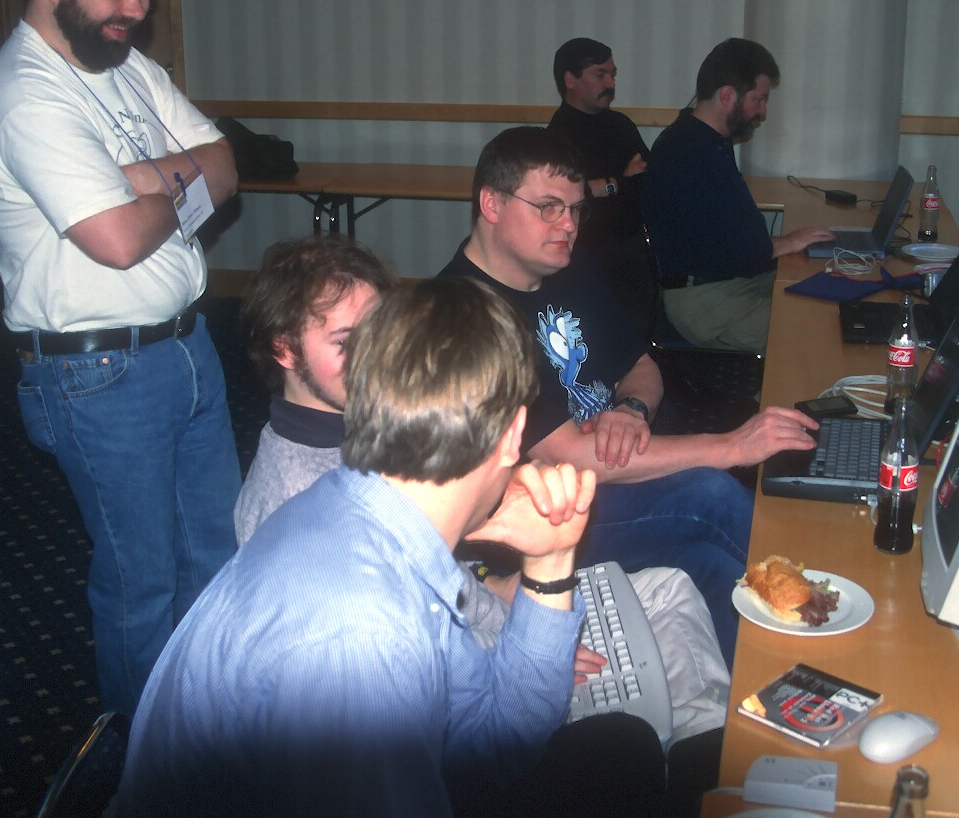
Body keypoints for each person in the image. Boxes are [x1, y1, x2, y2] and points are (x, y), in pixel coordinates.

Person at [101, 277, 619, 818]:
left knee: (620, 756)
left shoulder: (366, 509)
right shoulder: (363, 637)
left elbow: (496, 737)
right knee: (625, 788)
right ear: (515, 433)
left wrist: (551, 562)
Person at [234, 234, 730, 745]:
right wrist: (537, 631)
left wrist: (494, 584)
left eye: (378, 335)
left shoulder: (365, 426)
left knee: (672, 588)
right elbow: (447, 702)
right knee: (641, 723)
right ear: (284, 349)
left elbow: (434, 562)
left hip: (485, 609)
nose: (372, 360)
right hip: (479, 691)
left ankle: (710, 767)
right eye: (345, 343)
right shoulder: (293, 503)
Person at [0, 0, 241, 717]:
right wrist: (175, 180)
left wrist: (139, 180)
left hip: (186, 346)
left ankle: (211, 725)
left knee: (217, 555)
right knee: (140, 580)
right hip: (98, 376)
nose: (137, 9)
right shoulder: (25, 93)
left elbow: (226, 166)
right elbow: (116, 240)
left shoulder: (127, 65)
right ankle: (149, 754)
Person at [440, 127, 821, 659]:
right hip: (541, 520)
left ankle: (785, 665)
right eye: (548, 208)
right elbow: (568, 456)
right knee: (709, 496)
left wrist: (631, 408)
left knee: (711, 564)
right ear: (492, 204)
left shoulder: (564, 266)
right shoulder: (461, 317)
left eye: (576, 210)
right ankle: (825, 606)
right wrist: (730, 447)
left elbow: (642, 366)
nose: (568, 226)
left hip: (607, 470)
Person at [641, 38, 833, 353]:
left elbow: (734, 238)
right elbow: (729, 251)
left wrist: (784, 244)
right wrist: (786, 243)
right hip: (703, 301)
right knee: (813, 328)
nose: (763, 111)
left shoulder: (709, 140)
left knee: (828, 300)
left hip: (728, 283)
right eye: (759, 99)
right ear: (727, 95)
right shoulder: (685, 154)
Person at [545, 37, 655, 338]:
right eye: (600, 75)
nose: (610, 83)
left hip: (632, 245)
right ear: (571, 80)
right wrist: (620, 181)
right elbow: (570, 203)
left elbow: (647, 181)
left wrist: (601, 187)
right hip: (584, 254)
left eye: (612, 74)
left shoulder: (620, 125)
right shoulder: (557, 137)